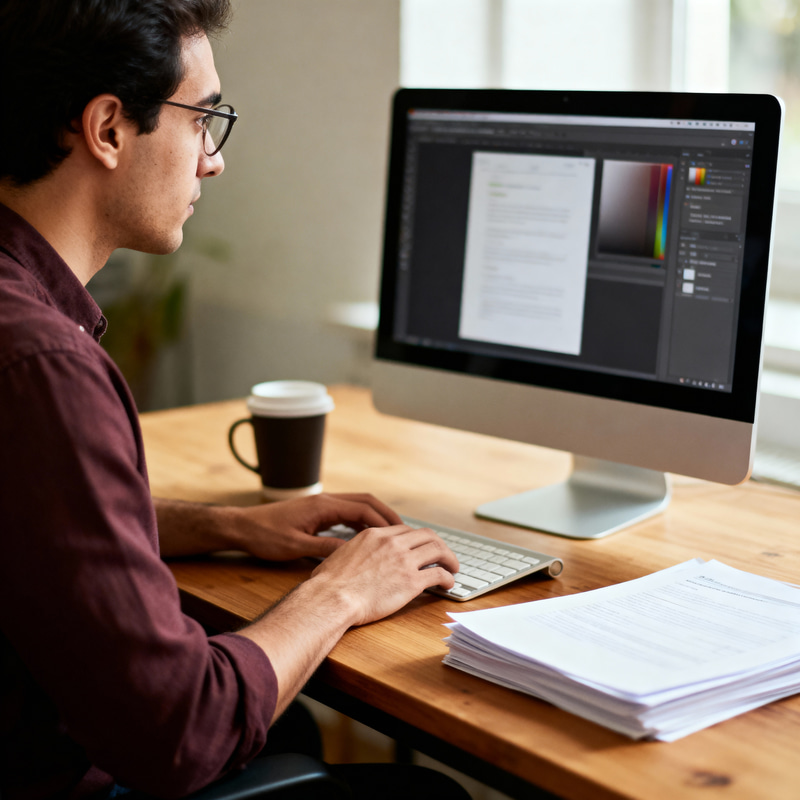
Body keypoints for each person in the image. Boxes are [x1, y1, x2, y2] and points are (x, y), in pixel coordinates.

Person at [0, 2, 470, 798]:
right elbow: (181, 733)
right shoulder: (41, 363)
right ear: (108, 128)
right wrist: (341, 592)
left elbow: (33, 521)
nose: (213, 161)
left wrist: (225, 526)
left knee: (291, 727)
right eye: (202, 118)